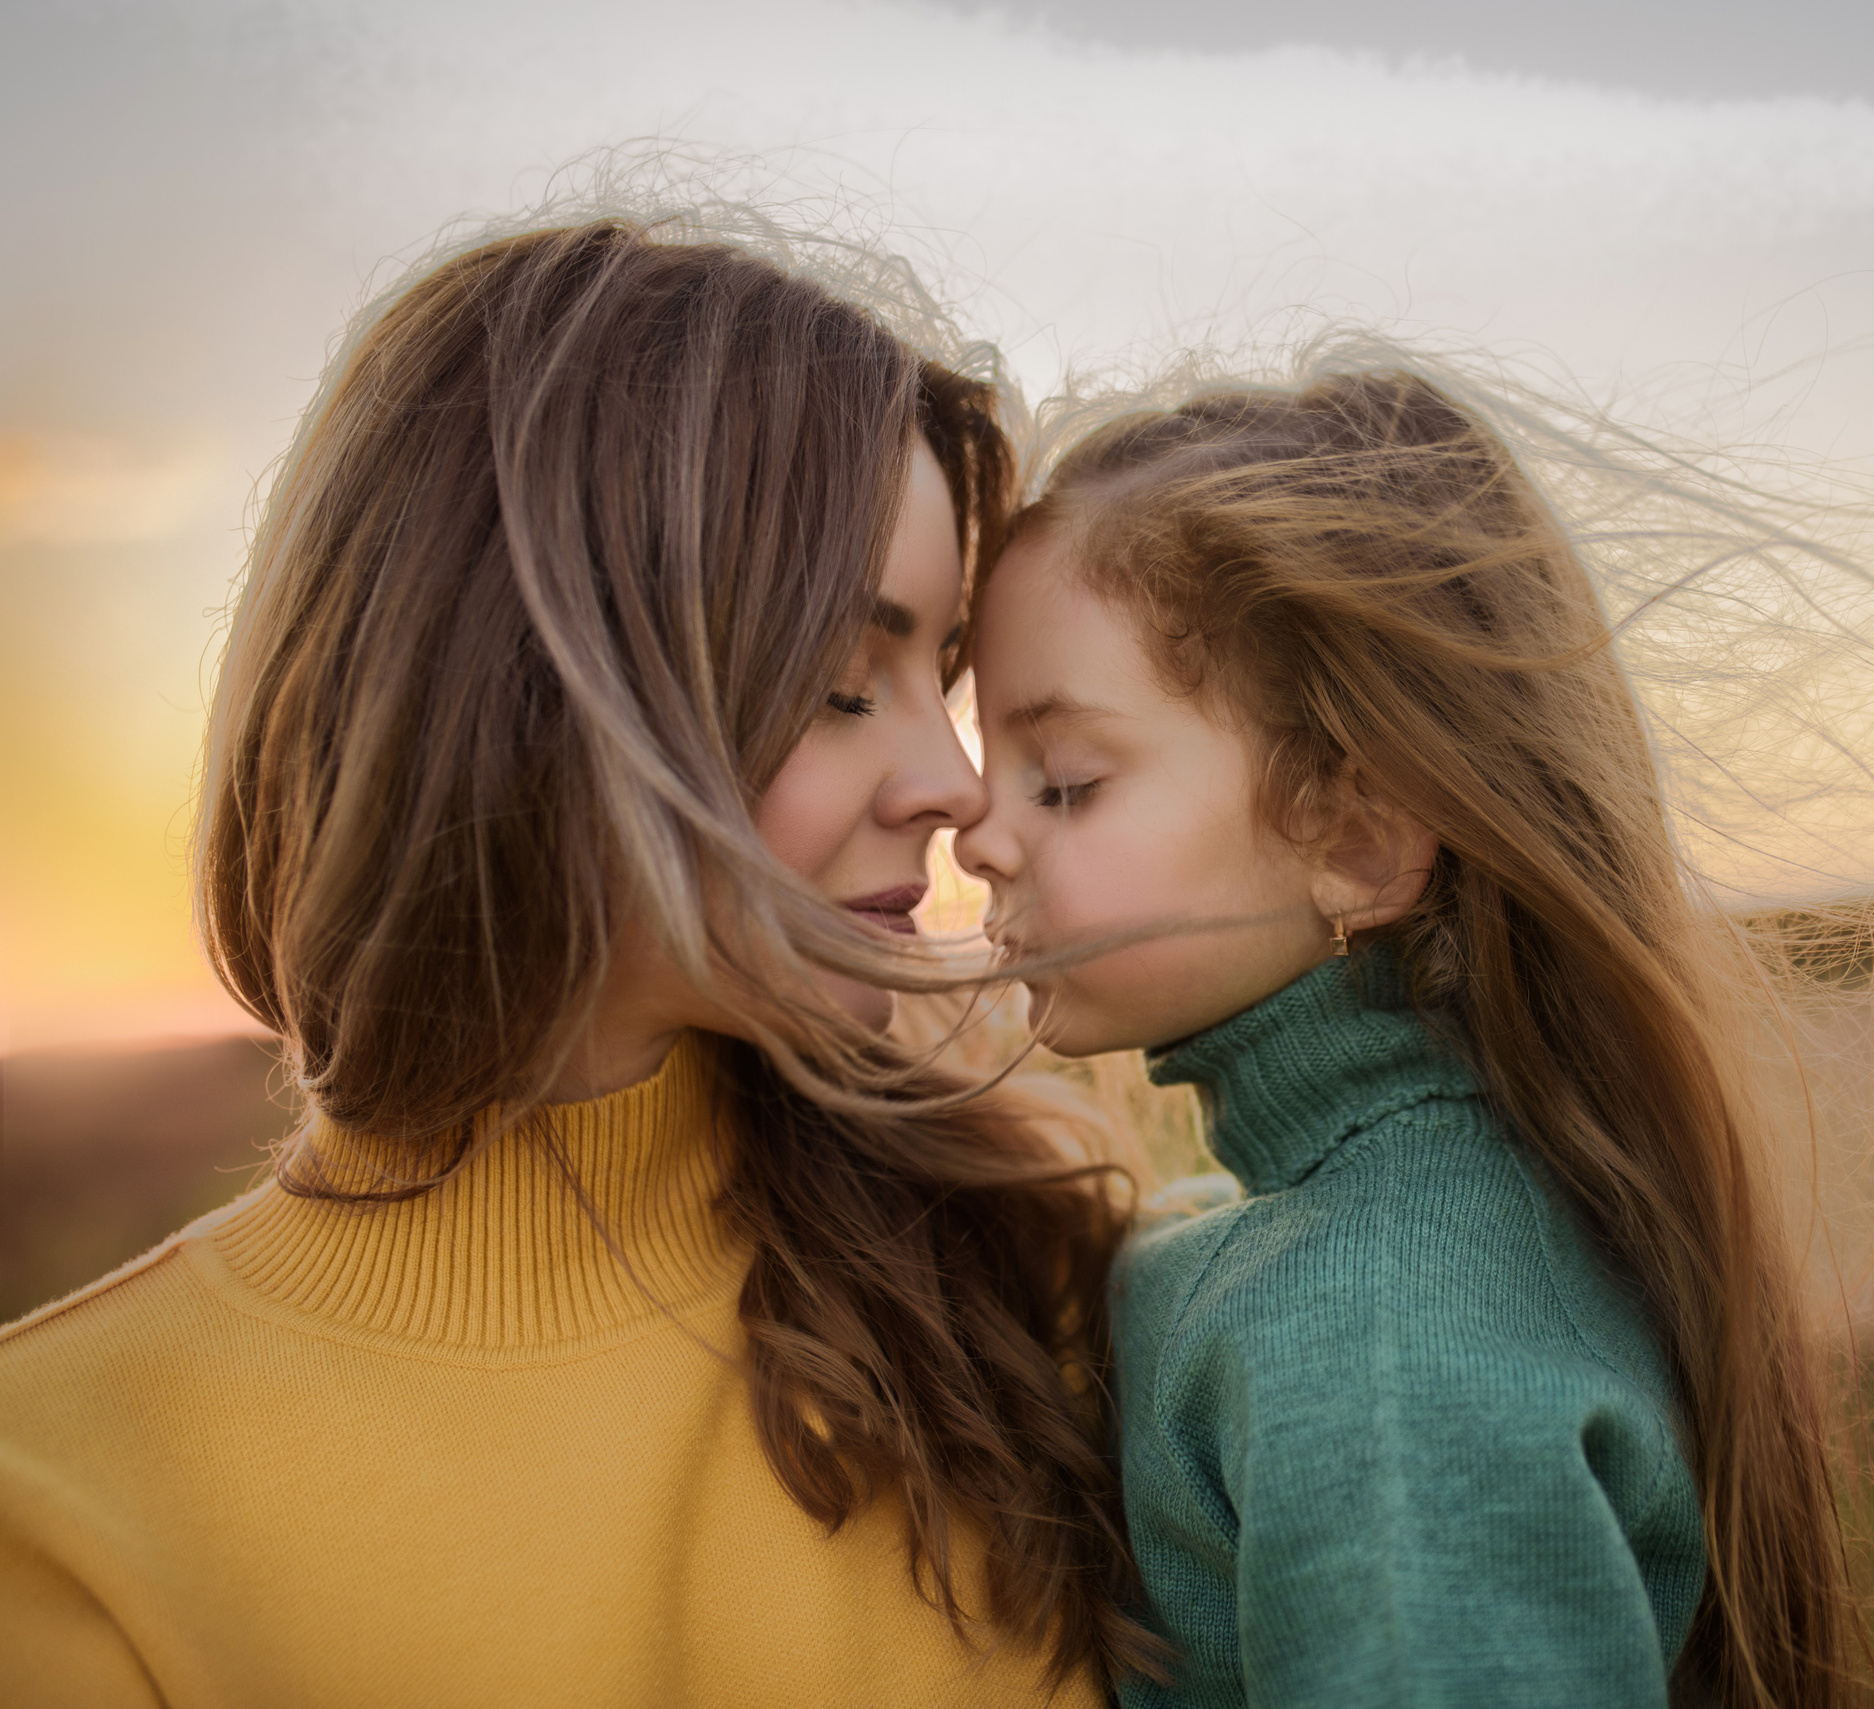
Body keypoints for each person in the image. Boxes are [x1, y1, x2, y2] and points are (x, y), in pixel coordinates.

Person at [0, 216, 1152, 1705]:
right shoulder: (63, 1497)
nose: (957, 784)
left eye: (934, 677)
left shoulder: (1029, 1266)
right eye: (835, 684)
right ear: (531, 698)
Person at [957, 368, 1865, 1708]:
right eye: (988, 773)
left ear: (1361, 836)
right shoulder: (1367, 1234)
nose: (977, 834)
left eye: (1065, 781)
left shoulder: (1384, 1334)